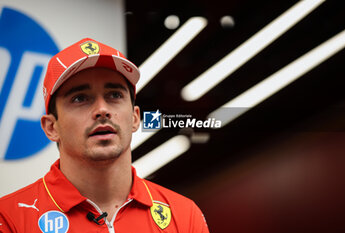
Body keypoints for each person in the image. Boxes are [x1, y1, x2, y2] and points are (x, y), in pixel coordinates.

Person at [0, 38, 210, 233]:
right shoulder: (9, 218)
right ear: (51, 127)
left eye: (115, 95)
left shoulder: (184, 216)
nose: (102, 109)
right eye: (80, 98)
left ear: (135, 118)